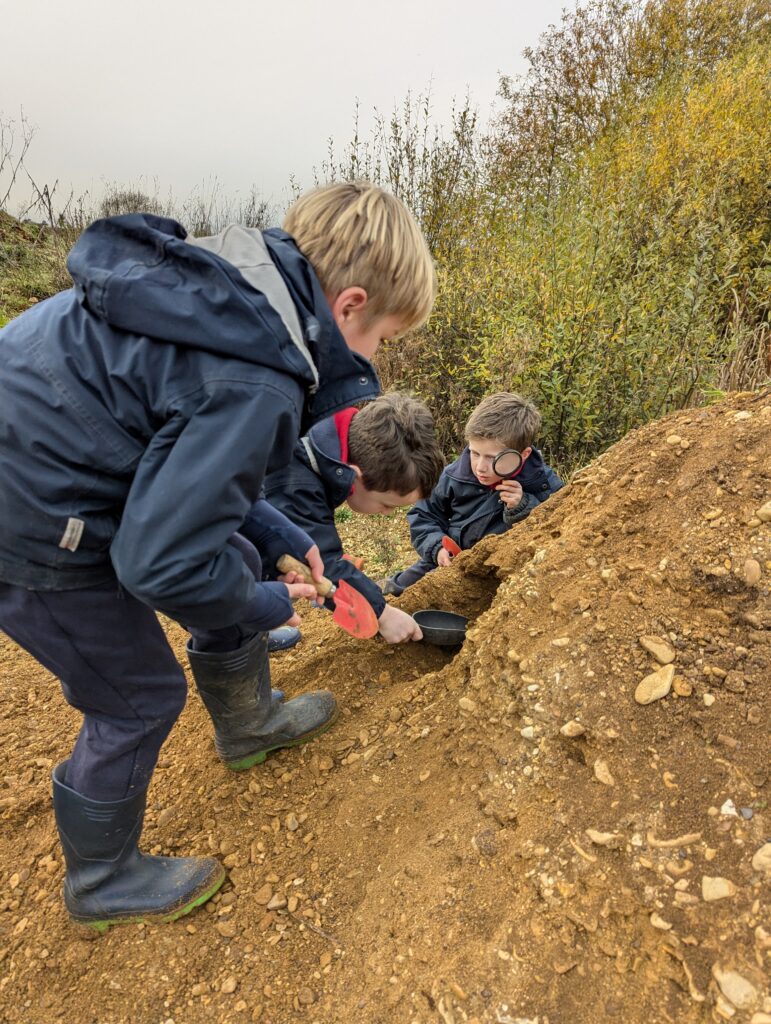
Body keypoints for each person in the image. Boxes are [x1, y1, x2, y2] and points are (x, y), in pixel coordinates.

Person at [0, 181, 435, 930]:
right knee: (137, 695)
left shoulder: (226, 294)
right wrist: (264, 600)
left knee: (230, 545)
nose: (375, 358)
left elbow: (198, 477)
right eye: (382, 341)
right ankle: (101, 880)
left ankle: (249, 723)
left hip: (57, 464)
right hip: (29, 519)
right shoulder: (254, 373)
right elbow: (159, 565)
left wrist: (282, 540)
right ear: (351, 304)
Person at [263, 393, 445, 643]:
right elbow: (317, 559)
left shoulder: (329, 442)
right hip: (207, 545)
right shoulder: (294, 482)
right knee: (241, 597)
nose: (387, 513)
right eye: (386, 504)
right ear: (354, 475)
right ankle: (241, 654)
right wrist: (382, 613)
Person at [383, 393, 562, 594]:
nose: (480, 467)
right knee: (397, 591)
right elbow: (424, 515)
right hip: (449, 561)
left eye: (491, 458)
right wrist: (437, 548)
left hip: (500, 576)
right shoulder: (454, 475)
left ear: (524, 455)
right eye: (474, 453)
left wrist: (524, 506)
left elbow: (558, 533)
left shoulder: (544, 484)